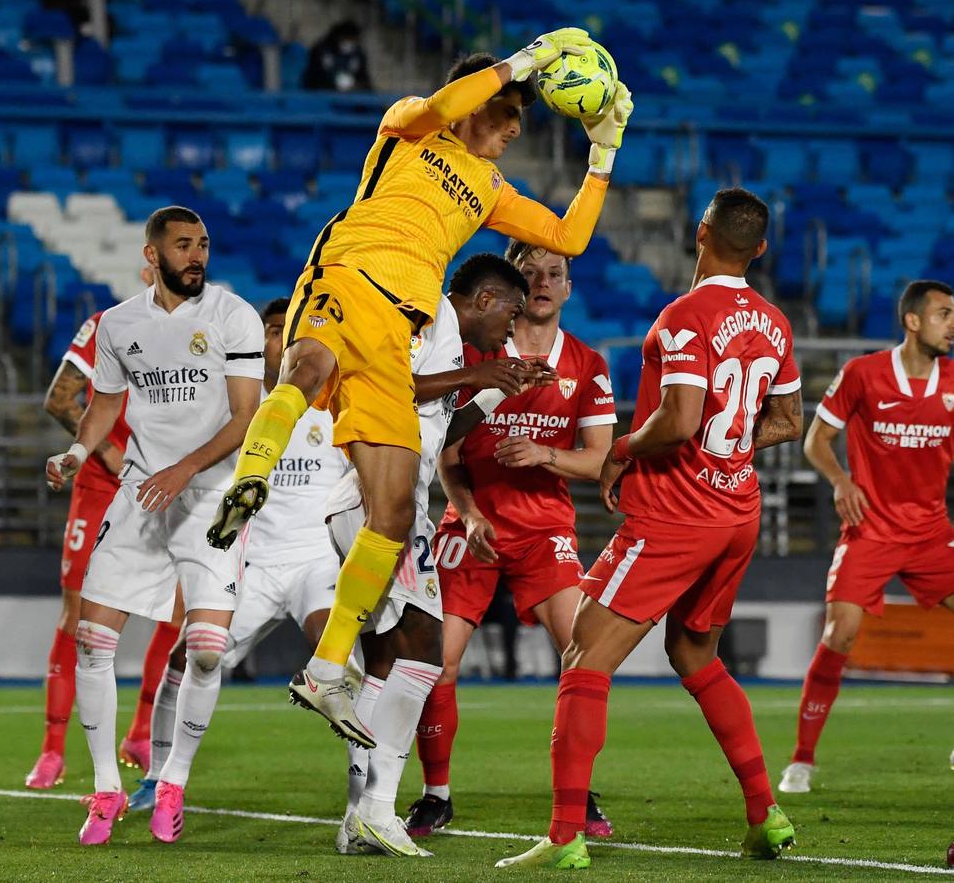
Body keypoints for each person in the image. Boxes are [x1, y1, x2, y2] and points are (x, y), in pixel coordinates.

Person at [208, 31, 632, 749]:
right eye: (507, 119)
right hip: (347, 273)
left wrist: (604, 150)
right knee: (306, 367)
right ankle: (249, 480)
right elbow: (445, 101)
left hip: (399, 326)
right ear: (484, 104)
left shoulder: (491, 189)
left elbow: (568, 236)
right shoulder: (414, 125)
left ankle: (322, 669)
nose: (511, 134)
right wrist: (525, 60)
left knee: (396, 511)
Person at [496, 188, 805, 870]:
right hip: (737, 513)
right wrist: (730, 450)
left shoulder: (684, 316)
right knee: (696, 657)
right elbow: (788, 421)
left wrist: (622, 451)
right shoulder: (776, 324)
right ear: (758, 249)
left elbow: (680, 419)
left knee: (584, 656)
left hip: (675, 513)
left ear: (699, 233)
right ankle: (765, 814)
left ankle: (562, 835)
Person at [44, 206, 263, 846]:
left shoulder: (233, 315)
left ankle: (173, 782)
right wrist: (78, 454)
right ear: (153, 254)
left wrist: (183, 470)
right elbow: (104, 404)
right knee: (92, 637)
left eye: (203, 245)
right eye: (183, 245)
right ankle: (106, 789)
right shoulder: (119, 324)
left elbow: (246, 417)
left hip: (216, 496)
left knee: (205, 650)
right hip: (142, 493)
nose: (197, 255)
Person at [407, 240, 617, 840]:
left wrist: (542, 453)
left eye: (556, 273)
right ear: (513, 289)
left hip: (546, 530)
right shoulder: (471, 354)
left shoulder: (588, 364)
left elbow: (599, 460)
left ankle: (579, 795)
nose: (545, 282)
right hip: (470, 527)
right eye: (532, 273)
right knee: (437, 665)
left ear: (569, 287)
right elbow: (447, 453)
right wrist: (467, 512)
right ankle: (435, 795)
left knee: (583, 658)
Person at [331, 255, 531, 857]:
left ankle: (359, 816)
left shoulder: (452, 345)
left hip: (384, 506)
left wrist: (497, 390)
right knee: (424, 655)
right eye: (511, 316)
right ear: (488, 299)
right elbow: (391, 386)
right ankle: (380, 811)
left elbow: (439, 426)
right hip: (380, 507)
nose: (511, 331)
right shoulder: (432, 320)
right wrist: (483, 372)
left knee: (391, 664)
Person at [123, 296, 352, 812]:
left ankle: (366, 801)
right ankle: (157, 777)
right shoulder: (236, 409)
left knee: (339, 665)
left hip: (315, 561)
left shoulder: (337, 404)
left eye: (285, 332)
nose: (278, 342)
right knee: (186, 656)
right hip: (248, 564)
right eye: (271, 331)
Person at [778, 279, 954, 795]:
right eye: (944, 313)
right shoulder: (863, 374)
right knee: (841, 635)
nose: (953, 324)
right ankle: (802, 760)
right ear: (913, 321)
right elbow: (817, 440)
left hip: (930, 532)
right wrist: (840, 480)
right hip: (871, 529)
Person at [25, 302, 185, 789]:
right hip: (103, 486)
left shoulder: (204, 329)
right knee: (77, 616)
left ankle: (140, 733)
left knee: (177, 614)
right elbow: (60, 398)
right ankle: (53, 750)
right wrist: (113, 455)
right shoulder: (107, 324)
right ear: (150, 262)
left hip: (164, 485)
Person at [302, 20, 373, 93]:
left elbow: (364, 78)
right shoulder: (321, 50)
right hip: (324, 92)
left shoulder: (358, 54)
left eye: (352, 39)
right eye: (346, 38)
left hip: (351, 93)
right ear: (337, 37)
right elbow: (314, 76)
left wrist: (357, 85)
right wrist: (334, 84)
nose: (348, 42)